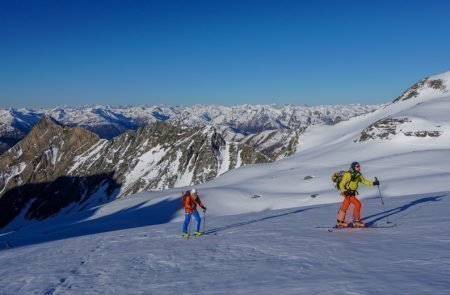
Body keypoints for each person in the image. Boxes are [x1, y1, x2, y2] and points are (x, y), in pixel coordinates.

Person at [336, 162, 379, 227]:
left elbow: (364, 181)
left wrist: (373, 183)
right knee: (357, 204)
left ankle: (340, 221)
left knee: (345, 206)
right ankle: (356, 221)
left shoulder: (358, 175)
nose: (359, 168)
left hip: (352, 193)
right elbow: (341, 184)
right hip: (347, 193)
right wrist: (344, 191)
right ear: (353, 167)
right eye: (357, 166)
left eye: (359, 166)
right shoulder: (348, 174)